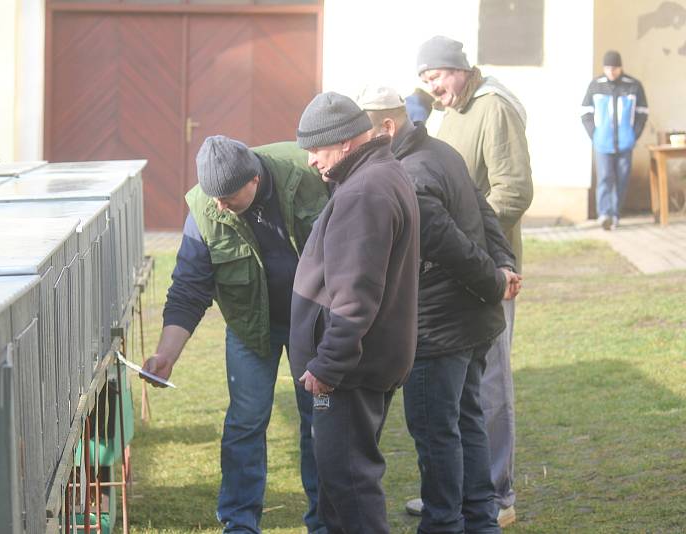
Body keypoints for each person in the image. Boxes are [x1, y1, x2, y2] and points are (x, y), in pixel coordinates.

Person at [142, 135, 329, 534]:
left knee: (318, 420)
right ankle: (240, 522)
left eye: (228, 197)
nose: (219, 206)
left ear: (254, 180)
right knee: (245, 421)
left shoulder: (308, 173)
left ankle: (325, 520)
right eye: (214, 198)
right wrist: (166, 355)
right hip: (250, 325)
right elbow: (189, 288)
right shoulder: (206, 208)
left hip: (313, 323)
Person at [357, 85, 521, 534]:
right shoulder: (442, 151)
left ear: (387, 127)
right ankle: (480, 519)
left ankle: (445, 522)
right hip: (468, 322)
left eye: (361, 134)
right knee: (465, 421)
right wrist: (503, 265)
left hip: (437, 328)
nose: (354, 145)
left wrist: (494, 276)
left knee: (436, 432)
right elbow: (485, 216)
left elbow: (452, 246)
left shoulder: (409, 173)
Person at [412, 35, 535, 528]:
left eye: (436, 75)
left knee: (490, 382)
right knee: (457, 390)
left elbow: (514, 189)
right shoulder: (451, 111)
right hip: (458, 273)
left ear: (459, 69)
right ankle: (458, 489)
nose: (431, 87)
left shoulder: (493, 107)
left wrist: (475, 248)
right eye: (424, 80)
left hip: (491, 271)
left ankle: (498, 493)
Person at [289, 91, 420, 533]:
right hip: (366, 362)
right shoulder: (379, 174)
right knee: (339, 486)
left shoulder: (364, 190)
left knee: (349, 486)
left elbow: (354, 296)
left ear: (345, 142)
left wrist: (328, 364)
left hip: (350, 370)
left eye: (316, 149)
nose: (310, 161)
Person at [581, 50, 648, 230]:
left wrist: (634, 134)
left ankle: (615, 214)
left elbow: (642, 113)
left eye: (615, 68)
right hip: (602, 143)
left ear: (621, 67)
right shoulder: (596, 86)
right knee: (605, 178)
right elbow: (585, 112)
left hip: (625, 142)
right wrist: (594, 134)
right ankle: (604, 214)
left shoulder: (633, 85)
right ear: (604, 68)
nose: (611, 72)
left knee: (622, 179)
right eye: (608, 68)